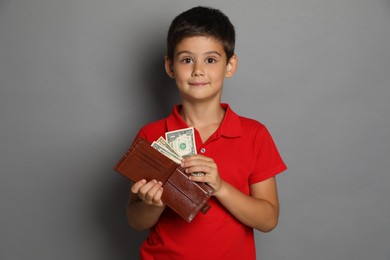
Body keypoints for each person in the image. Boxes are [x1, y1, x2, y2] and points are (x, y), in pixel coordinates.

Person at [127, 6, 287, 259]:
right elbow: (136, 220)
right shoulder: (151, 134)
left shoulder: (255, 134)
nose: (198, 70)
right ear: (170, 66)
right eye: (186, 59)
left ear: (230, 65)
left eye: (210, 60)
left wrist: (220, 187)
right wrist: (152, 205)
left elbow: (268, 220)